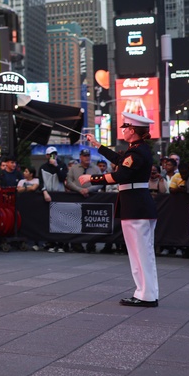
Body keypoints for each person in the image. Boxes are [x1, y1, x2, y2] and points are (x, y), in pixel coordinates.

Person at [80, 113, 159, 307]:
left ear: (132, 130)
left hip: (136, 205)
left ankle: (146, 295)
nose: (123, 130)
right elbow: (119, 159)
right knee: (141, 252)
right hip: (136, 204)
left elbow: (121, 175)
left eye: (125, 127)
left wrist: (92, 178)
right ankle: (145, 292)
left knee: (141, 253)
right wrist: (97, 145)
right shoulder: (137, 150)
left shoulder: (138, 152)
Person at [67, 148, 102, 253]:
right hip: (77, 197)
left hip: (92, 198)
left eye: (88, 156)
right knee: (75, 221)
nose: (87, 158)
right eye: (85, 156)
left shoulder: (95, 169)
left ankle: (91, 244)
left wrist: (89, 189)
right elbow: (69, 182)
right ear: (80, 157)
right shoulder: (74, 168)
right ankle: (76, 244)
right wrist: (79, 190)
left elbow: (101, 182)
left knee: (92, 221)